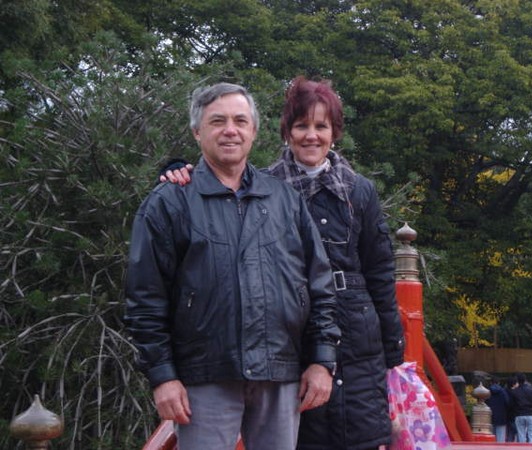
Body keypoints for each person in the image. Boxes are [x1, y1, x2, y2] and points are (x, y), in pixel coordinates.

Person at [162, 76, 406, 450]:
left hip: (358, 333)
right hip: (288, 332)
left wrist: (394, 351)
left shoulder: (359, 191)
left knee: (359, 434)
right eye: (301, 126)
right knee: (300, 435)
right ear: (286, 132)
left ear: (334, 133)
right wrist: (179, 168)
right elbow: (217, 186)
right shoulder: (264, 187)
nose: (312, 136)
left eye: (321, 126)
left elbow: (379, 272)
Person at [125, 82, 341, 450]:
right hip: (205, 375)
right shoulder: (170, 202)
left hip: (280, 371)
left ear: (253, 131)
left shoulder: (284, 199)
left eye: (240, 121)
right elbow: (145, 298)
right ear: (197, 131)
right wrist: (162, 376)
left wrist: (322, 360)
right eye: (218, 121)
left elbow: (319, 286)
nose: (230, 130)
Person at [509, 372, 532, 443]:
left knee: (521, 436)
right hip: (531, 414)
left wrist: (515, 413)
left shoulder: (514, 392)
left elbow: (511, 404)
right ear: (525, 380)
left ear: (517, 381)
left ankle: (522, 447)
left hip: (519, 415)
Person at [485, 376, 511, 442]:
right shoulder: (503, 392)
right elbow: (507, 403)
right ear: (499, 383)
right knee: (501, 438)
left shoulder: (487, 392)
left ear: (491, 383)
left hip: (490, 417)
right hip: (502, 417)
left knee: (492, 438)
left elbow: (485, 404)